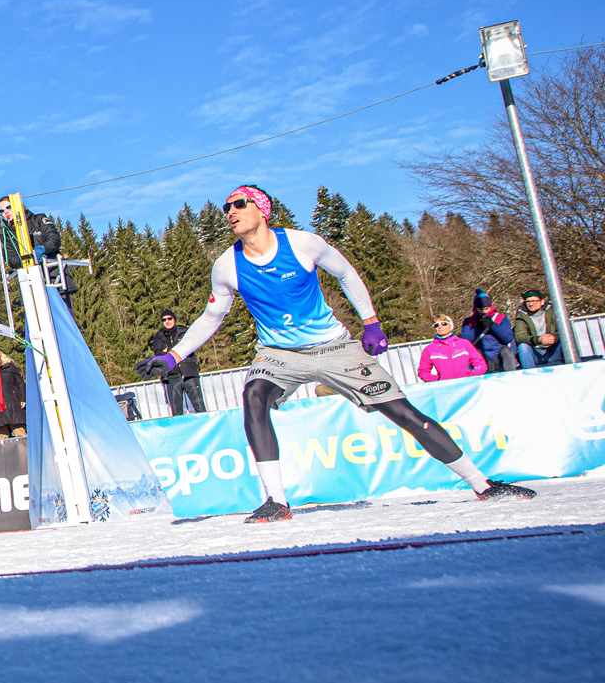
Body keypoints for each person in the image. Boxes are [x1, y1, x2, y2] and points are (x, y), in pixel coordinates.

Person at [140, 185, 534, 522]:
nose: (230, 213)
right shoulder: (227, 266)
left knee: (403, 413)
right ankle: (277, 501)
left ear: (262, 209)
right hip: (279, 354)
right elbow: (212, 316)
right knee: (253, 396)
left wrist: (372, 323)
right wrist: (174, 357)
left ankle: (482, 484)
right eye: (226, 208)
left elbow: (347, 273)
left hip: (335, 347)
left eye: (238, 205)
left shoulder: (302, 243)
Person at [148, 309, 205, 415]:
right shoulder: (159, 336)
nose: (167, 321)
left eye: (170, 318)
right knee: (177, 411)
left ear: (174, 319)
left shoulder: (184, 332)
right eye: (164, 320)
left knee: (199, 407)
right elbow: (159, 355)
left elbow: (190, 347)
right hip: (172, 377)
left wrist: (169, 351)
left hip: (189, 374)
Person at [417, 315, 487, 382]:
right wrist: (437, 380)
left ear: (451, 325)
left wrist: (470, 376)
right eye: (436, 325)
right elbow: (423, 372)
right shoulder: (429, 349)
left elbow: (480, 364)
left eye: (444, 323)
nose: (440, 326)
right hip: (446, 389)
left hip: (466, 385)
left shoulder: (464, 343)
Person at [462, 289, 518, 372]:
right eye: (481, 309)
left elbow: (508, 338)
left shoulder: (501, 318)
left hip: (499, 354)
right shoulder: (469, 321)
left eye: (487, 308)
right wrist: (477, 327)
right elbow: (465, 341)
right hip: (483, 355)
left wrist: (493, 326)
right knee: (477, 353)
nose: (484, 312)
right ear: (476, 308)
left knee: (506, 350)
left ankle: (511, 375)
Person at [513, 290, 565, 368]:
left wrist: (554, 337)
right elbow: (519, 336)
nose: (530, 304)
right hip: (535, 351)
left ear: (542, 302)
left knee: (565, 340)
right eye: (528, 302)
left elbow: (563, 329)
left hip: (553, 349)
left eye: (534, 301)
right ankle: (529, 373)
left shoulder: (553, 311)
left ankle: (572, 367)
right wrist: (539, 339)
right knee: (523, 346)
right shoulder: (521, 315)